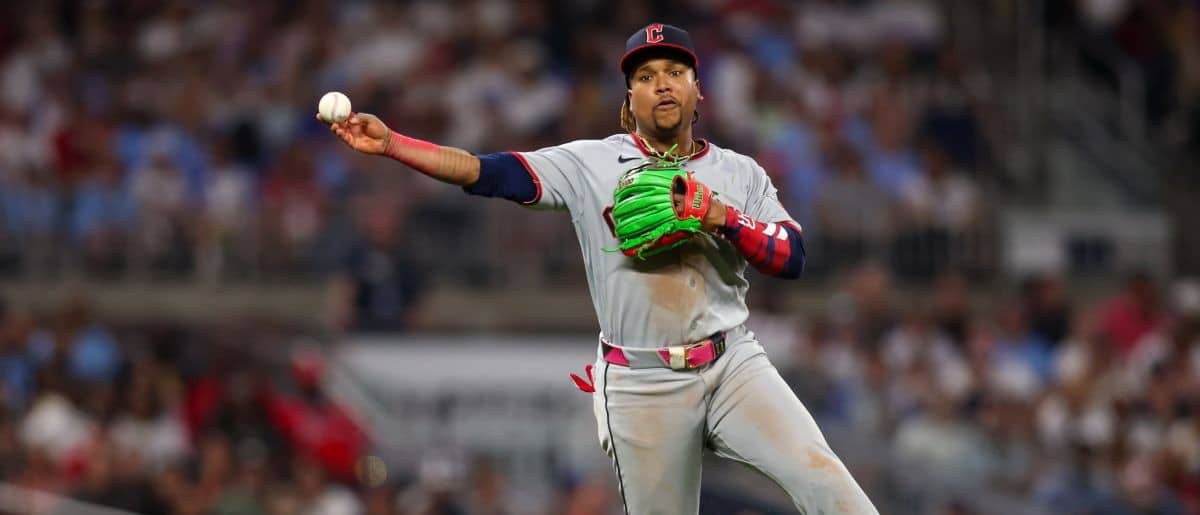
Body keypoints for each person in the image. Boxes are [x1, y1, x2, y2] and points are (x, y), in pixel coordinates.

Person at [323, 23, 876, 515]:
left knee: (829, 484)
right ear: (630, 95)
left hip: (732, 363)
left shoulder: (740, 173)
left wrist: (722, 217)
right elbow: (488, 172)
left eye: (675, 71)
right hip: (641, 381)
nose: (662, 84)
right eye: (646, 75)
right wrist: (395, 144)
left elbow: (792, 257)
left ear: (697, 89)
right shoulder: (590, 162)